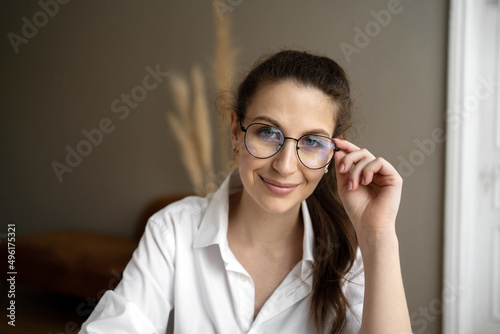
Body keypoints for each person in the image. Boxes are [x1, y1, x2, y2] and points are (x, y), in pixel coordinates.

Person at [80, 50, 412, 333]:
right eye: (268, 132)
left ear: (333, 154)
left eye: (311, 142)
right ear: (235, 132)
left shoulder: (346, 252)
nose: (284, 165)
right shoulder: (173, 231)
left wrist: (379, 237)